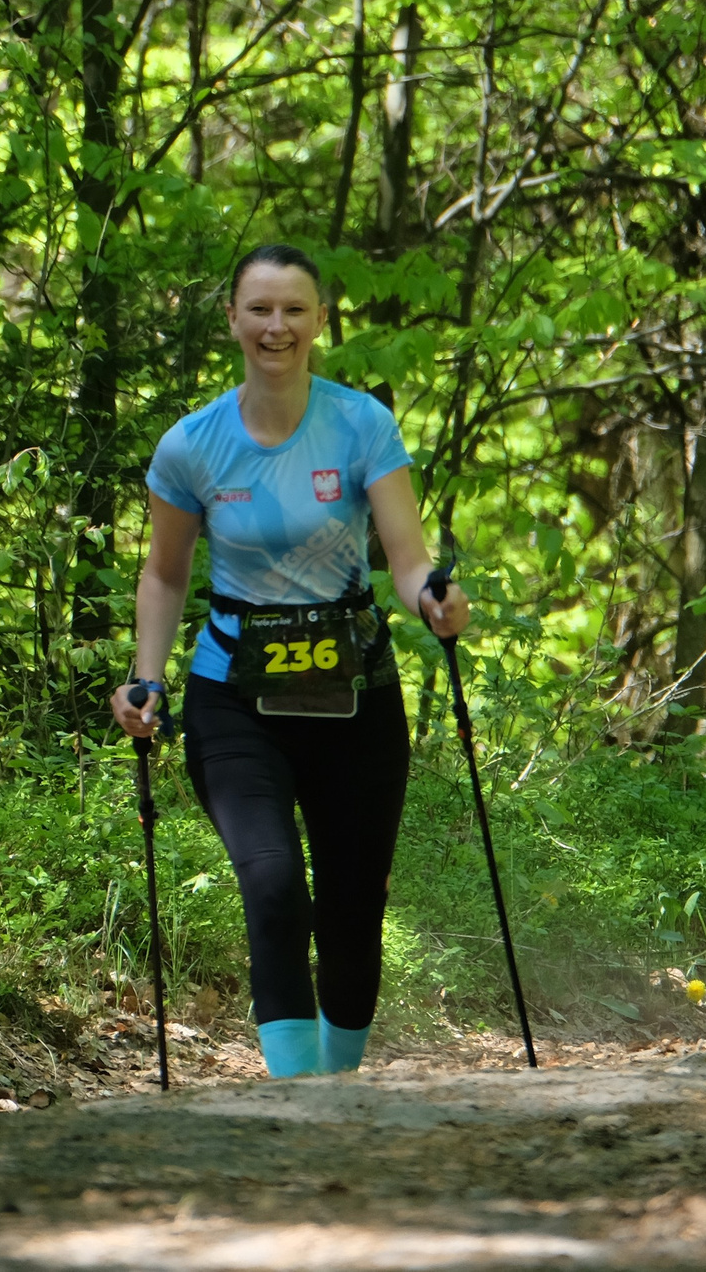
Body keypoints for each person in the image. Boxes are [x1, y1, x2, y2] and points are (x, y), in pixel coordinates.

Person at [110, 243, 470, 1078]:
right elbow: (164, 574)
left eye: (295, 310)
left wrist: (434, 600)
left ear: (320, 321)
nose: (278, 326)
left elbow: (408, 559)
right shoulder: (192, 445)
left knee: (351, 911)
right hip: (234, 693)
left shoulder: (360, 425)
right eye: (261, 309)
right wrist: (145, 676)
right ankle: (297, 1104)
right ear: (232, 319)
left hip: (355, 693)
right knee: (273, 887)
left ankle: (336, 1091)